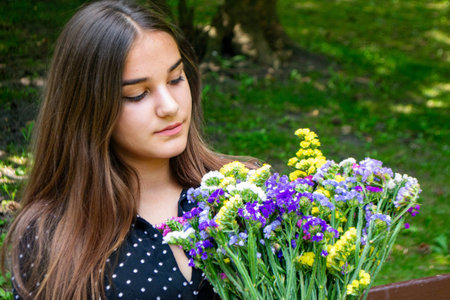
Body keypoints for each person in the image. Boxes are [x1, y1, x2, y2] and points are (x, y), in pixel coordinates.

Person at [1, 1, 255, 298]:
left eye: (176, 79)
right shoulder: (49, 234)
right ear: (88, 108)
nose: (170, 107)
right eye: (137, 94)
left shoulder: (244, 193)